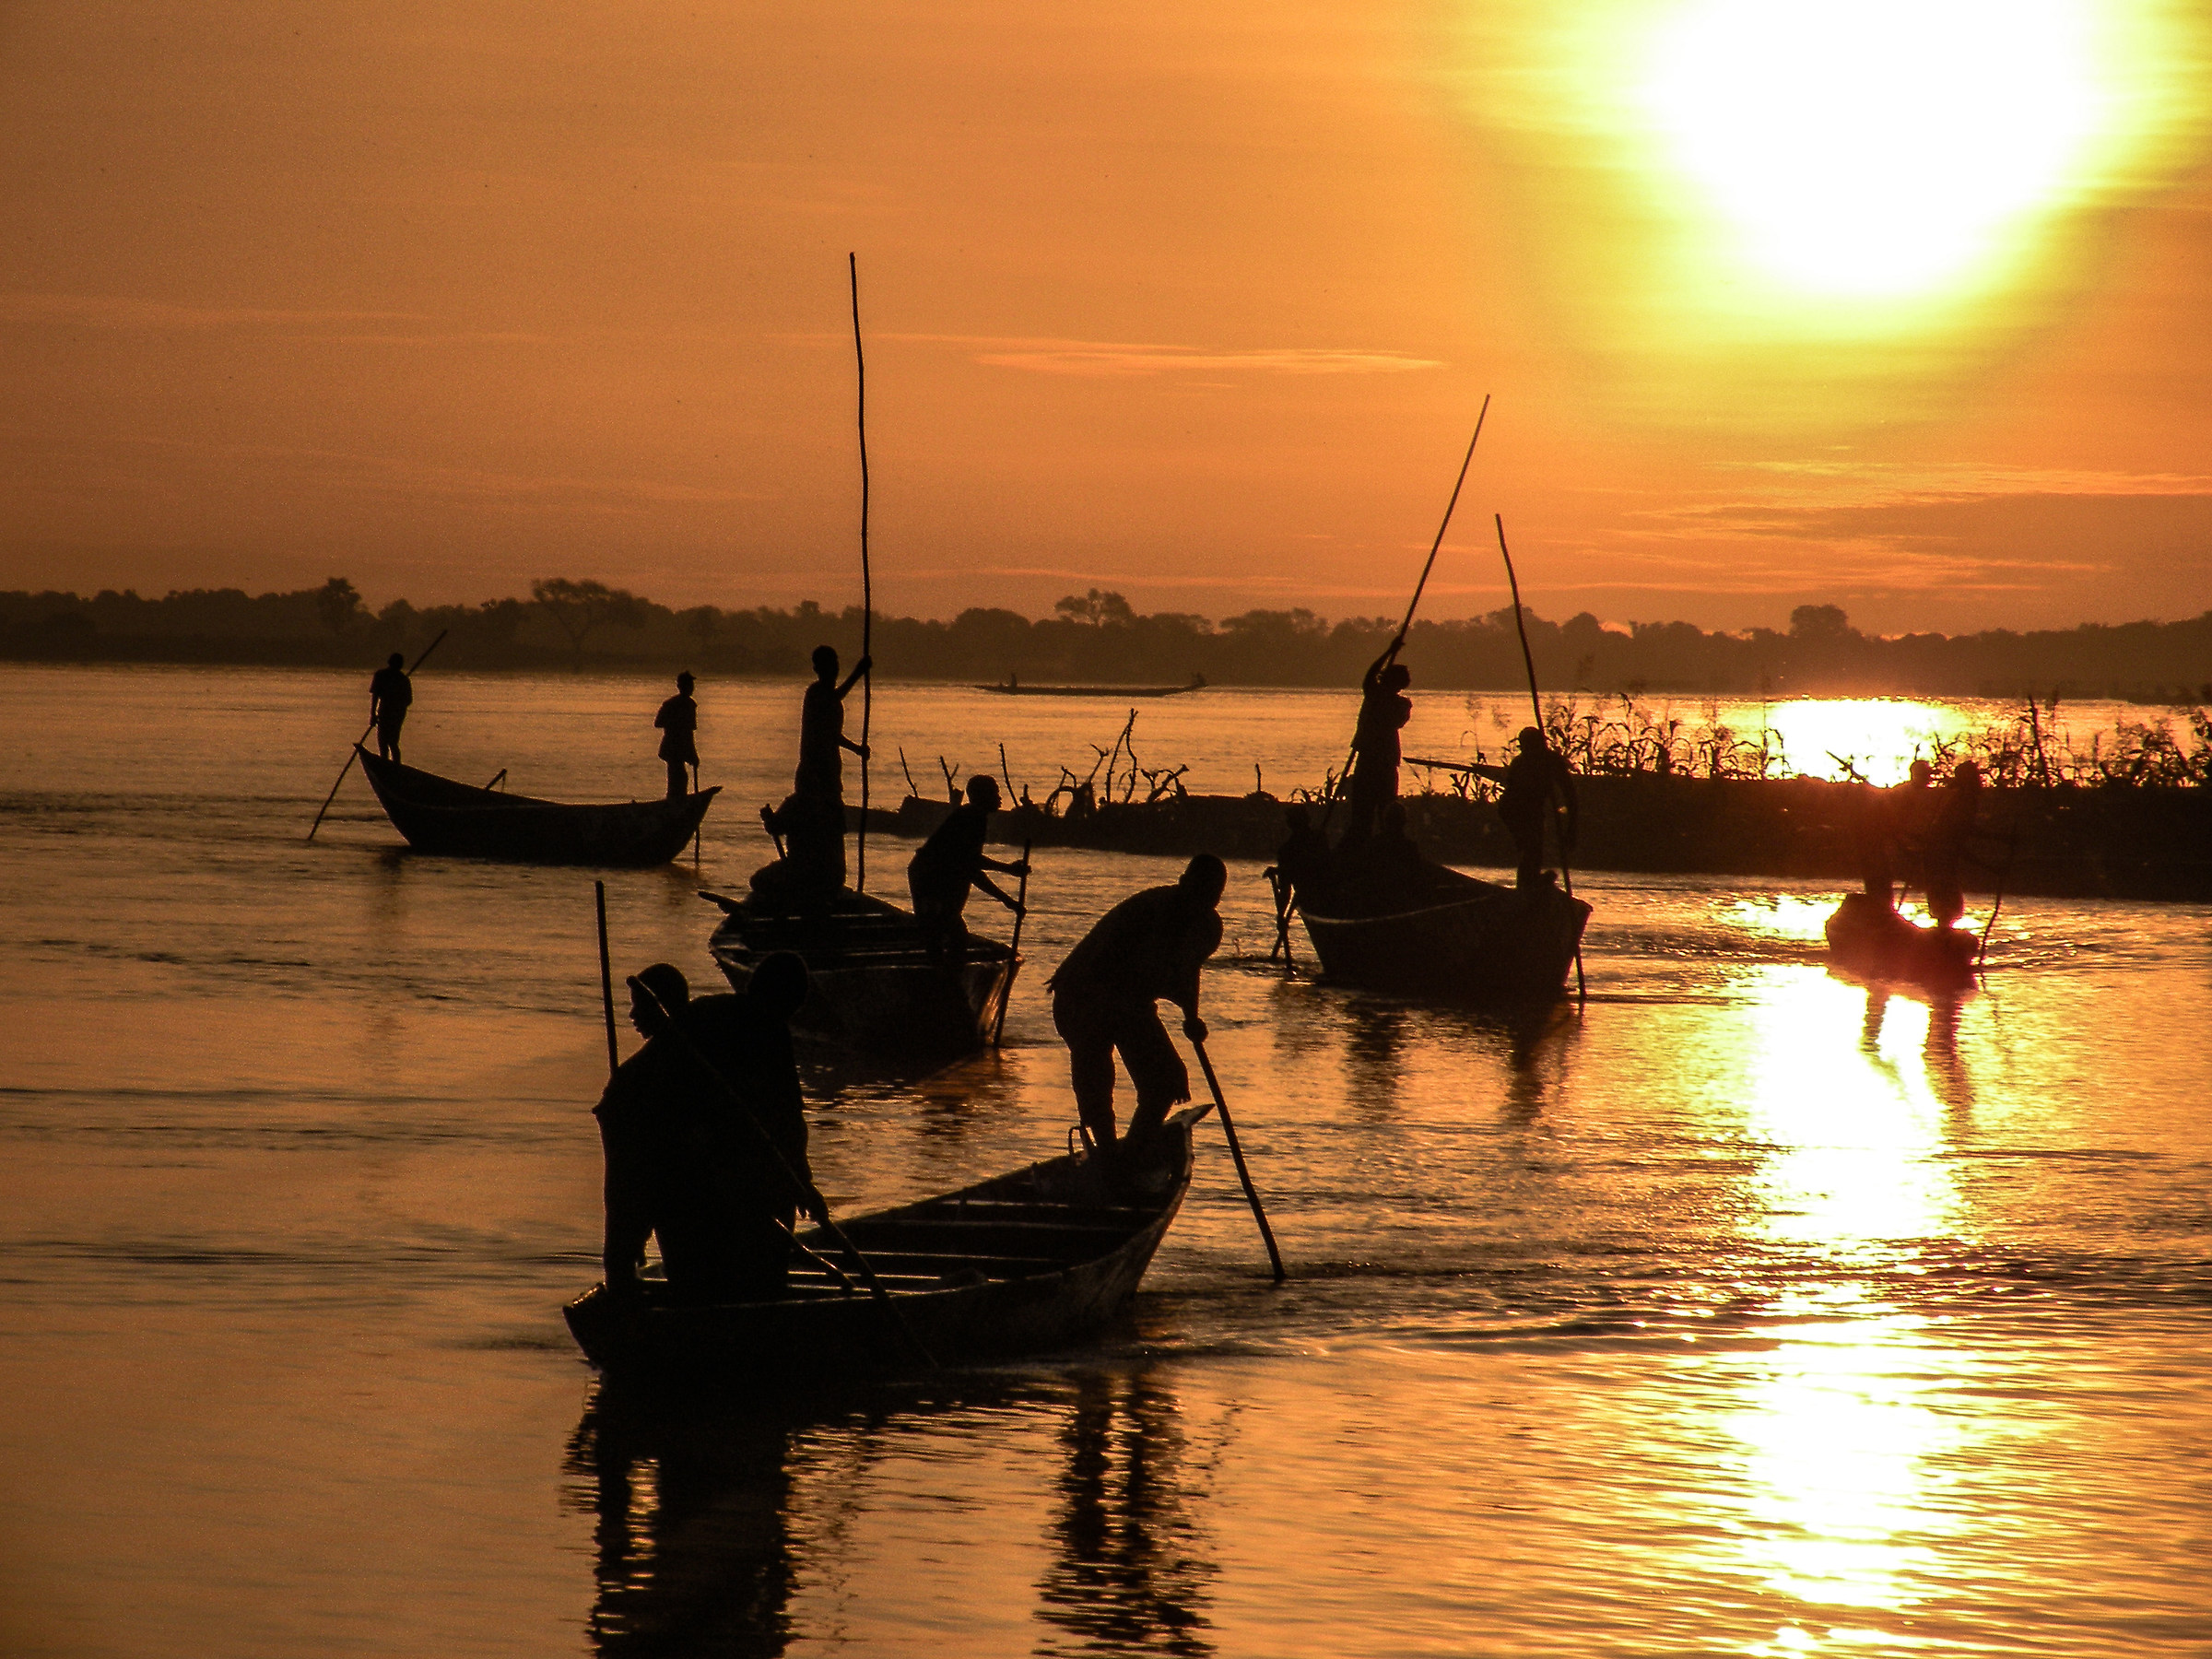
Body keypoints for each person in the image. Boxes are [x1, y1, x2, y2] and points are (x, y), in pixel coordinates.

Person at [593, 954, 826, 1305]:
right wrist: (799, 1182)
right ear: (784, 1001)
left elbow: (781, 1117)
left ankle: (702, 1297)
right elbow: (783, 1117)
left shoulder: (741, 1021)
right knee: (652, 1213)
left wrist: (801, 1181)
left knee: (717, 1206)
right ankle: (632, 1301)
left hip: (671, 1126)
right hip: (641, 1119)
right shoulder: (745, 1023)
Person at [1047, 855, 1226, 1158]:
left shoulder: (1206, 926)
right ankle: (1107, 1154)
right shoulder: (1153, 910)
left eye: (1210, 896)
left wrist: (1191, 1016)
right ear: (1183, 884)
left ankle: (1131, 1152)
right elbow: (1118, 971)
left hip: (1129, 1001)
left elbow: (1187, 969)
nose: (1201, 902)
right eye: (1198, 892)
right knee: (1097, 1077)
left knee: (1166, 1081)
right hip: (1081, 995)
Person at [906, 775, 1029, 963]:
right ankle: (944, 977)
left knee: (948, 932)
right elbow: (971, 867)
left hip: (939, 876)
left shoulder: (975, 817)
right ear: (980, 796)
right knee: (946, 931)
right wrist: (1008, 898)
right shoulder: (971, 818)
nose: (999, 798)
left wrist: (1008, 877)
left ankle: (944, 973)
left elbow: (971, 864)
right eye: (994, 793)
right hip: (928, 878)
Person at [1472, 726, 1579, 891]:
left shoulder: (1551, 761)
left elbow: (1569, 793)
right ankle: (1527, 886)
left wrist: (1571, 827)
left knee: (1532, 851)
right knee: (1530, 849)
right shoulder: (1520, 763)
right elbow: (1511, 786)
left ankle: (1529, 885)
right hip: (1514, 810)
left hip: (1531, 810)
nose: (1528, 752)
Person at [1345, 643, 1413, 842]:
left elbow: (1396, 721)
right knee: (1361, 814)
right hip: (1368, 760)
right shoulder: (1373, 693)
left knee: (1387, 810)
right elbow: (1371, 674)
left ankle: (1386, 846)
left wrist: (1382, 696)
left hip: (1385, 763)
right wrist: (1389, 652)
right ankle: (1359, 845)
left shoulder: (1400, 703)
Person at [795, 645, 872, 801]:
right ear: (817, 669)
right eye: (829, 665)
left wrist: (858, 749)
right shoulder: (815, 694)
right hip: (814, 776)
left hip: (829, 773)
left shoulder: (831, 699)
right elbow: (828, 732)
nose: (834, 669)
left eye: (835, 664)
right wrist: (858, 672)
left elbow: (833, 734)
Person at [1923, 761, 1986, 929]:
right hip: (1941, 855)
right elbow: (1959, 829)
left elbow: (1964, 830)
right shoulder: (1961, 799)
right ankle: (1943, 936)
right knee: (1946, 904)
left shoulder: (1963, 798)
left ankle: (1943, 933)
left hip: (1944, 855)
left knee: (1948, 904)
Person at [653, 671, 700, 800]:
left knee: (680, 777)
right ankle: (674, 801)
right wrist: (676, 723)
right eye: (688, 685)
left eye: (691, 685)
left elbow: (689, 733)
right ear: (680, 686)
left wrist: (693, 755)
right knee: (678, 776)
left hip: (679, 747)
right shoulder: (672, 704)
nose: (691, 688)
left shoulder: (690, 704)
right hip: (672, 747)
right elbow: (658, 723)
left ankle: (675, 800)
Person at [368, 653, 412, 762]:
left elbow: (408, 700)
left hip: (393, 714)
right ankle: (388, 765)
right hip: (388, 713)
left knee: (389, 742)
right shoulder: (397, 678)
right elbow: (375, 695)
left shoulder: (401, 679)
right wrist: (373, 714)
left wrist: (374, 714)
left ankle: (393, 767)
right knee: (388, 742)